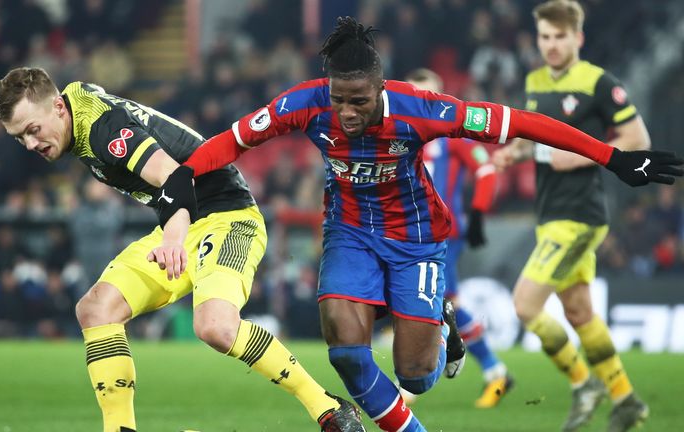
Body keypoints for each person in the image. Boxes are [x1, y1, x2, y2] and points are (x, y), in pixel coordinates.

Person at [175, 16, 680, 432]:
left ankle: (442, 321)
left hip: (415, 239)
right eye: (338, 99)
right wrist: (182, 176)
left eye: (359, 100)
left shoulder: (423, 110)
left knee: (415, 378)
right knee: (346, 354)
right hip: (348, 232)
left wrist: (612, 156)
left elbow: (522, 124)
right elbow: (232, 140)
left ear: (381, 89)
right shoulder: (303, 103)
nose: (347, 112)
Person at [0, 67, 365, 432]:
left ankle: (330, 410)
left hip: (228, 216)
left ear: (57, 107)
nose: (30, 145)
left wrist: (172, 238)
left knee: (215, 327)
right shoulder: (73, 106)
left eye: (33, 130)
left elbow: (174, 178)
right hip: (181, 221)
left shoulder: (103, 130)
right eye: (19, 137)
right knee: (96, 309)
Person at [492, 1, 657, 431]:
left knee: (525, 305)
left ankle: (584, 383)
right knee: (580, 312)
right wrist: (519, 150)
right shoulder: (533, 81)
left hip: (580, 215)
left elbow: (638, 138)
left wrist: (584, 158)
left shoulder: (599, 83)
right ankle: (626, 400)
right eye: (544, 37)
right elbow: (538, 137)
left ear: (578, 38)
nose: (551, 45)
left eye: (559, 37)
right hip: (549, 212)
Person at [404, 68, 513, 409]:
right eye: (415, 94)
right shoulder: (399, 134)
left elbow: (486, 169)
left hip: (443, 233)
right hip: (408, 233)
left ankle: (415, 385)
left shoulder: (453, 135)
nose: (422, 102)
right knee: (444, 302)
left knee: (442, 300)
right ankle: (492, 370)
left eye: (429, 94)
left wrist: (478, 211)